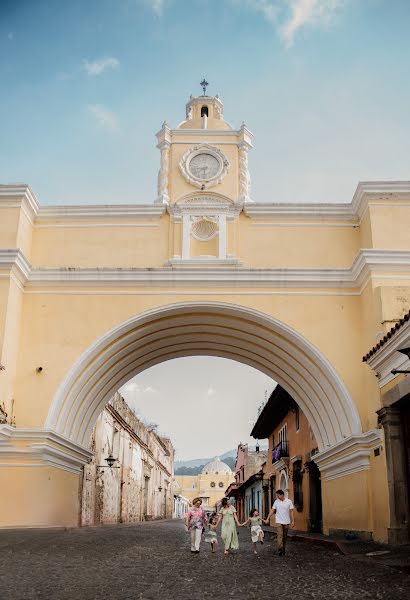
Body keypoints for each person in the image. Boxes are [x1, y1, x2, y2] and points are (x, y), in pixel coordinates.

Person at [263, 489, 295, 556]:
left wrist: (293, 521)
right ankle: (280, 548)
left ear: (282, 495)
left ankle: (283, 549)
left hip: (286, 521)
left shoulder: (289, 501)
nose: (277, 497)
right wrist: (268, 518)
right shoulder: (276, 502)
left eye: (278, 495)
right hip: (279, 521)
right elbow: (272, 510)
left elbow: (291, 512)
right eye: (277, 495)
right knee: (280, 535)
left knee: (285, 536)